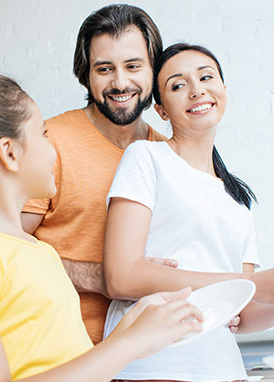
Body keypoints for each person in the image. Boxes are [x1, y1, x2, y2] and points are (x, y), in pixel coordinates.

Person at [0, 74, 204, 382]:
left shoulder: (42, 253)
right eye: (42, 135)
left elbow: (70, 371)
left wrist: (132, 328)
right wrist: (130, 343)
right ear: (9, 153)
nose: (53, 150)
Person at [102, 43, 274, 382]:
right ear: (161, 110)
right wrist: (253, 284)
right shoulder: (145, 158)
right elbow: (121, 277)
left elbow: (242, 311)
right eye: (178, 85)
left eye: (206, 77)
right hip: (153, 368)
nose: (197, 89)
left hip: (223, 372)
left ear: (223, 89)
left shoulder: (237, 198)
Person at [20, 4, 170, 345]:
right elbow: (2, 243)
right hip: (57, 357)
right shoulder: (48, 142)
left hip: (147, 360)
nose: (120, 83)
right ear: (86, 74)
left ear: (153, 70)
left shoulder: (167, 155)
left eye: (133, 66)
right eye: (105, 69)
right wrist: (97, 276)